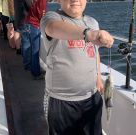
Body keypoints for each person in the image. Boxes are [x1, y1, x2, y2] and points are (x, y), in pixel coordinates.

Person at [40, 0, 114, 134]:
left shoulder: (93, 23)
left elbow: (94, 52)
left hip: (91, 97)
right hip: (60, 101)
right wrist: (88, 34)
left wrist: (98, 78)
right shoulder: (51, 18)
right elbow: (53, 28)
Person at [22, 0, 46, 79]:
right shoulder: (43, 1)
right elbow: (41, 15)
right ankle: (36, 73)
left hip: (28, 22)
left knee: (28, 46)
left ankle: (30, 66)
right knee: (35, 51)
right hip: (35, 25)